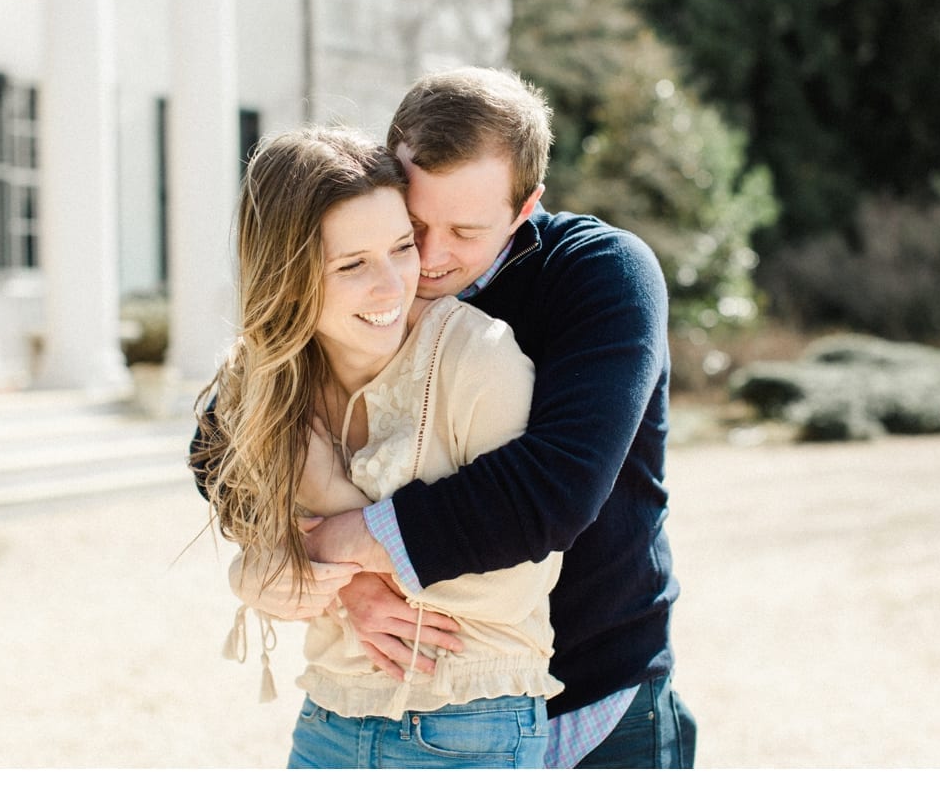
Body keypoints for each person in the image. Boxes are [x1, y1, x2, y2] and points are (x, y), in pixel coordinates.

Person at [234, 67, 696, 768]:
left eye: (466, 230)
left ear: (525, 205)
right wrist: (347, 585)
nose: (429, 258)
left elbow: (557, 487)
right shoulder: (374, 282)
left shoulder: (603, 274)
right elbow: (225, 429)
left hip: (600, 694)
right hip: (423, 699)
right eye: (415, 223)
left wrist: (341, 542)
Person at [193, 125, 564, 769]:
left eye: (401, 247)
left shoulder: (478, 359)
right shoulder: (265, 384)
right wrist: (254, 572)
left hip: (471, 725)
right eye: (353, 264)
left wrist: (320, 559)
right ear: (287, 278)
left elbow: (510, 587)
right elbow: (254, 535)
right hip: (328, 718)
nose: (393, 285)